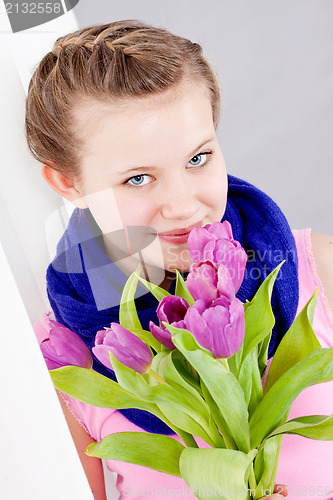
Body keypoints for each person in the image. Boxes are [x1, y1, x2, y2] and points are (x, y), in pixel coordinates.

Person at [26, 20, 333, 500]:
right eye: (138, 178)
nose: (184, 206)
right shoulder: (62, 361)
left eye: (198, 158)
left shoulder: (322, 271)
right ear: (68, 183)